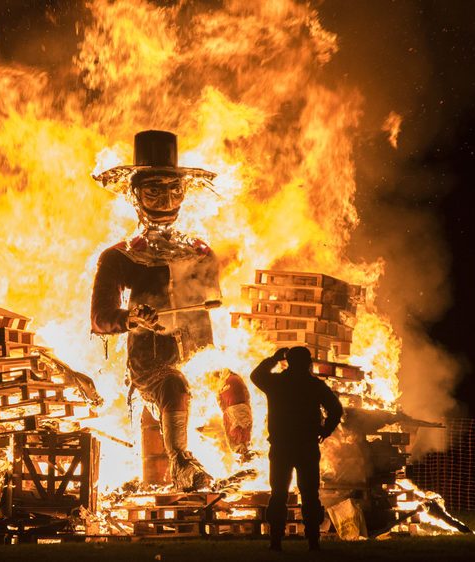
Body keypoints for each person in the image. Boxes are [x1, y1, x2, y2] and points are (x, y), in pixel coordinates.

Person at [91, 130, 232, 491]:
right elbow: (100, 318)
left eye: (174, 189)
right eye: (154, 190)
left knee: (233, 384)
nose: (166, 199)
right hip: (152, 366)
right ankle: (183, 464)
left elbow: (212, 301)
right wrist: (132, 318)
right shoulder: (119, 256)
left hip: (200, 357)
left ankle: (248, 460)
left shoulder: (201, 252)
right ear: (134, 195)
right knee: (174, 384)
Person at [250, 346, 343, 551]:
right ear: (308, 363)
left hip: (282, 445)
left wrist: (274, 359)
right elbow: (336, 409)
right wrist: (325, 430)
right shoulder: (314, 386)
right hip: (306, 445)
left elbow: (256, 375)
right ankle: (313, 541)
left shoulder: (276, 383)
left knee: (279, 493)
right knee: (310, 493)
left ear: (288, 362)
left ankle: (275, 541)